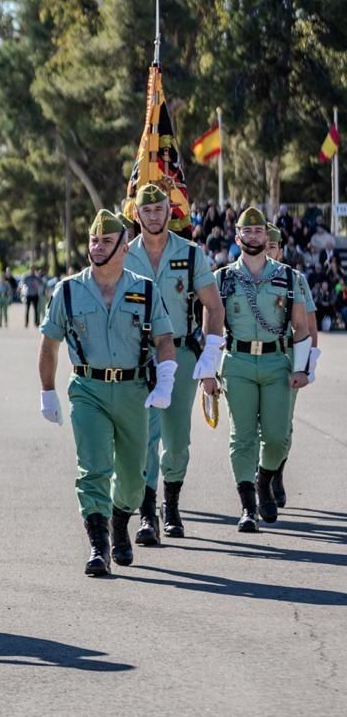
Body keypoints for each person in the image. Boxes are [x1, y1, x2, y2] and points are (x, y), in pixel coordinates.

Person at [38, 210, 178, 577]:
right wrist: (47, 391)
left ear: (122, 246)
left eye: (105, 241)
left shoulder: (145, 289)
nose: (96, 247)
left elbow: (164, 339)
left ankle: (120, 522)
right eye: (93, 241)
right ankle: (99, 545)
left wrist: (165, 378)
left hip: (133, 390)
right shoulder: (68, 290)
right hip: (88, 390)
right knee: (93, 468)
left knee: (133, 479)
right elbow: (49, 343)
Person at [122, 183, 224, 543]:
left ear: (171, 211)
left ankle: (172, 502)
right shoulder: (122, 254)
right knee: (145, 438)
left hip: (180, 354)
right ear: (136, 214)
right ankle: (148, 513)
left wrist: (211, 357)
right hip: (137, 357)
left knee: (177, 439)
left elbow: (214, 305)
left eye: (159, 209)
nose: (153, 215)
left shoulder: (192, 254)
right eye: (146, 210)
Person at [213, 208, 313, 532]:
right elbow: (212, 330)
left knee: (277, 437)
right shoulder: (223, 279)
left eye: (259, 231)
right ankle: (247, 508)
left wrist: (302, 369)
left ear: (266, 236)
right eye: (248, 230)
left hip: (275, 362)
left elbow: (300, 327)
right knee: (241, 437)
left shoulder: (287, 277)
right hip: (238, 362)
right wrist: (206, 373)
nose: (254, 236)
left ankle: (265, 478)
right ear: (237, 235)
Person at [264, 223, 320, 508]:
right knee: (255, 424)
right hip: (256, 357)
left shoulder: (295, 279)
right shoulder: (245, 276)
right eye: (265, 246)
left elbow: (309, 325)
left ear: (281, 250)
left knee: (282, 425)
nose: (268, 252)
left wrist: (308, 364)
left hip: (288, 358)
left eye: (273, 247)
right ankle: (259, 480)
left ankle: (276, 473)